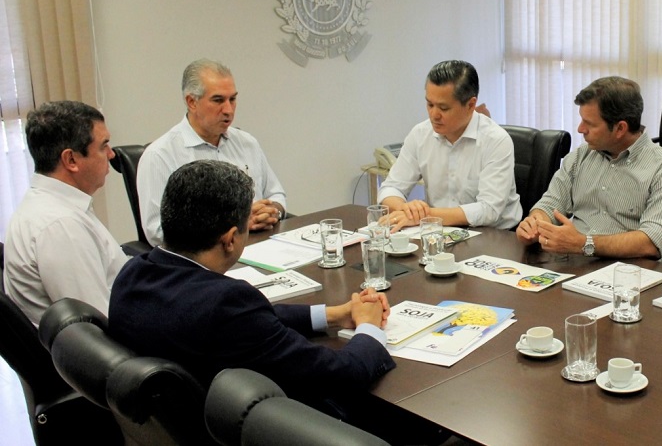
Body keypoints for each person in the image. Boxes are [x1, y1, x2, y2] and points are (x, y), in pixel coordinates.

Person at [109, 160, 394, 418]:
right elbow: (341, 375)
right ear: (231, 239)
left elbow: (250, 322)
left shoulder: (132, 274)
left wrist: (332, 315)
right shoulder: (225, 303)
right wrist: (370, 328)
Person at [515, 76, 662, 262]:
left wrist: (584, 244)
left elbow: (651, 242)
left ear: (620, 128)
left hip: (631, 274)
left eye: (589, 124)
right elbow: (551, 204)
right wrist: (535, 223)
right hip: (575, 265)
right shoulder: (581, 156)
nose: (580, 129)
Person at [3, 101, 129, 326]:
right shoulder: (60, 225)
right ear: (71, 160)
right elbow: (97, 323)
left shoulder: (56, 205)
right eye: (103, 146)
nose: (111, 154)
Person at [137, 59, 286, 245]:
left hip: (259, 245)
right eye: (218, 100)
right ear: (192, 102)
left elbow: (276, 194)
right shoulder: (160, 155)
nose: (228, 110)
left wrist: (272, 212)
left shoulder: (247, 143)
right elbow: (157, 231)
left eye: (232, 99)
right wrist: (237, 224)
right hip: (201, 261)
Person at [379, 60, 521, 231]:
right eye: (430, 104)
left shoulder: (496, 140)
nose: (433, 115)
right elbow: (391, 187)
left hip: (493, 235)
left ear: (470, 105)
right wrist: (407, 210)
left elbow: (488, 210)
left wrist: (425, 216)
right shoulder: (420, 134)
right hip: (438, 231)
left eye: (443, 108)